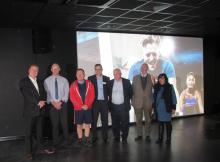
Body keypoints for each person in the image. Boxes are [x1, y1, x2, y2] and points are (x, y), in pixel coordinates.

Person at [19, 64, 53, 160]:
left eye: (37, 70)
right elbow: (26, 95)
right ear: (29, 70)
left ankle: (40, 148)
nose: (35, 72)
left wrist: (43, 101)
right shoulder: (24, 81)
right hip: (30, 111)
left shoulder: (40, 81)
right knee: (28, 133)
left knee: (39, 132)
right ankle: (28, 152)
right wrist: (38, 102)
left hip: (40, 111)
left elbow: (43, 94)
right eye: (33, 70)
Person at [44, 63, 70, 150]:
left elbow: (66, 94)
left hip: (63, 104)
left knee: (64, 124)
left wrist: (60, 102)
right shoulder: (46, 81)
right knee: (55, 125)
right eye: (53, 68)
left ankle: (67, 141)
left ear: (59, 69)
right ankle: (55, 143)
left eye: (57, 68)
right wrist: (54, 103)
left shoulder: (65, 80)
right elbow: (47, 95)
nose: (55, 70)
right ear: (51, 70)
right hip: (52, 105)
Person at [70, 68, 95, 147]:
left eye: (81, 73)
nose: (80, 75)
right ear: (76, 75)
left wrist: (87, 105)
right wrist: (81, 106)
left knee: (87, 124)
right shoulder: (73, 85)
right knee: (79, 125)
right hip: (78, 109)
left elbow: (92, 95)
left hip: (88, 107)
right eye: (78, 74)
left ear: (84, 75)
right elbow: (72, 98)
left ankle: (87, 139)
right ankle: (80, 139)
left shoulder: (89, 83)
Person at [108, 68, 133, 143]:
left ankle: (124, 138)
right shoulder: (110, 82)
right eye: (114, 74)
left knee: (125, 123)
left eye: (117, 73)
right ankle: (116, 137)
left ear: (120, 74)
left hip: (123, 106)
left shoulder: (127, 82)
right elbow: (108, 93)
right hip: (113, 106)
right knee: (115, 123)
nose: (115, 75)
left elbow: (131, 93)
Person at [131, 63, 154, 142]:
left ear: (147, 68)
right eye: (142, 67)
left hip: (148, 102)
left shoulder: (151, 77)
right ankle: (139, 135)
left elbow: (154, 89)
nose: (143, 69)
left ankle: (147, 135)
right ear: (140, 68)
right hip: (137, 102)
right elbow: (132, 90)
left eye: (145, 67)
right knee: (138, 120)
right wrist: (133, 101)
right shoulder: (135, 77)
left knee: (148, 120)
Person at [88, 64, 110, 144]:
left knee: (105, 121)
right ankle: (94, 137)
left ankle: (105, 137)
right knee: (94, 121)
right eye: (96, 69)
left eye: (99, 69)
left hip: (104, 103)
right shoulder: (90, 79)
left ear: (102, 69)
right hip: (95, 103)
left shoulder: (107, 79)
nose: (97, 70)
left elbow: (109, 91)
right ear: (95, 70)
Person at [153, 73, 177, 145]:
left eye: (163, 78)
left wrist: (173, 108)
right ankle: (160, 138)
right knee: (160, 123)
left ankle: (168, 139)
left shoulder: (170, 86)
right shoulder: (156, 87)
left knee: (168, 124)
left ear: (165, 79)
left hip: (167, 107)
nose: (161, 79)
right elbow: (154, 98)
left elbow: (173, 97)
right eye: (160, 78)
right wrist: (153, 107)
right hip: (159, 107)